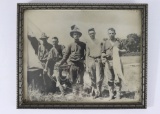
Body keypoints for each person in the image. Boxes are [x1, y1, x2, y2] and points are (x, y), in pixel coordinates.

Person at [59, 25, 86, 97]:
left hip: (80, 64)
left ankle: (81, 92)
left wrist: (83, 60)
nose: (76, 35)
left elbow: (87, 54)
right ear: (72, 36)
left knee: (81, 78)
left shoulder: (83, 44)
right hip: (72, 64)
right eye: (74, 34)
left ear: (79, 35)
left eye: (77, 34)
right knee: (73, 78)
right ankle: (74, 92)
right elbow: (66, 55)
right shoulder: (70, 45)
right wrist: (60, 63)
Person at [101, 28, 126, 100]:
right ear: (108, 34)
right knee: (110, 79)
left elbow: (125, 50)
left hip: (117, 62)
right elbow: (102, 52)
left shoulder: (119, 42)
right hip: (109, 62)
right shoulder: (105, 43)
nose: (111, 34)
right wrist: (104, 55)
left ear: (115, 33)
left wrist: (119, 50)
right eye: (110, 33)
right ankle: (111, 94)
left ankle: (118, 93)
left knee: (118, 78)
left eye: (112, 33)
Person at [86, 28, 104, 98]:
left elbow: (102, 52)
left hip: (98, 60)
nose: (92, 35)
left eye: (93, 33)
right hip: (91, 60)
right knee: (92, 77)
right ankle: (94, 91)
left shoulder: (100, 42)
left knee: (99, 77)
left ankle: (99, 92)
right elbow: (86, 55)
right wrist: (87, 65)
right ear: (89, 34)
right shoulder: (88, 43)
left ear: (95, 33)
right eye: (90, 34)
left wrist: (102, 61)